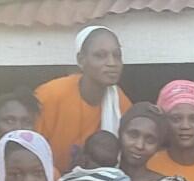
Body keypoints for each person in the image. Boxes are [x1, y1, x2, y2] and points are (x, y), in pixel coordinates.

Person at [35, 25, 132, 173]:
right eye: (100, 55)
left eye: (117, 55)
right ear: (81, 60)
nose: (112, 63)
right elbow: (28, 150)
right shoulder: (50, 95)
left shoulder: (119, 101)